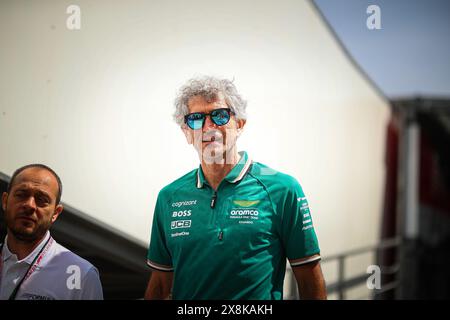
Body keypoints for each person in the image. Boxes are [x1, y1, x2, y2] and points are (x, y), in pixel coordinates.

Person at [145, 76, 326, 300]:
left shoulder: (283, 189)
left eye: (220, 116)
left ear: (239, 125)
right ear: (186, 132)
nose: (209, 126)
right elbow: (161, 285)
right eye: (196, 119)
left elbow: (309, 280)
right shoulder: (169, 197)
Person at [0, 164, 103, 300]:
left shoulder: (82, 274)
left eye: (42, 200)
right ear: (5, 201)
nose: (29, 205)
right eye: (21, 195)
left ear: (55, 213)